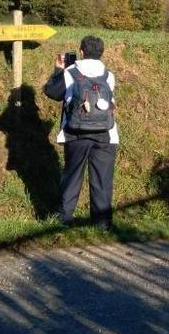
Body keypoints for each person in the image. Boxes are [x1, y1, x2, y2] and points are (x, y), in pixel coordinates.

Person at [43, 35, 119, 230]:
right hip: (106, 134)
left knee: (72, 177)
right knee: (102, 180)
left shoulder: (70, 72)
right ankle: (102, 225)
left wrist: (58, 70)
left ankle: (63, 220)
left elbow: (52, 92)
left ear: (82, 52)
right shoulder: (108, 75)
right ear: (101, 53)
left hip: (75, 133)